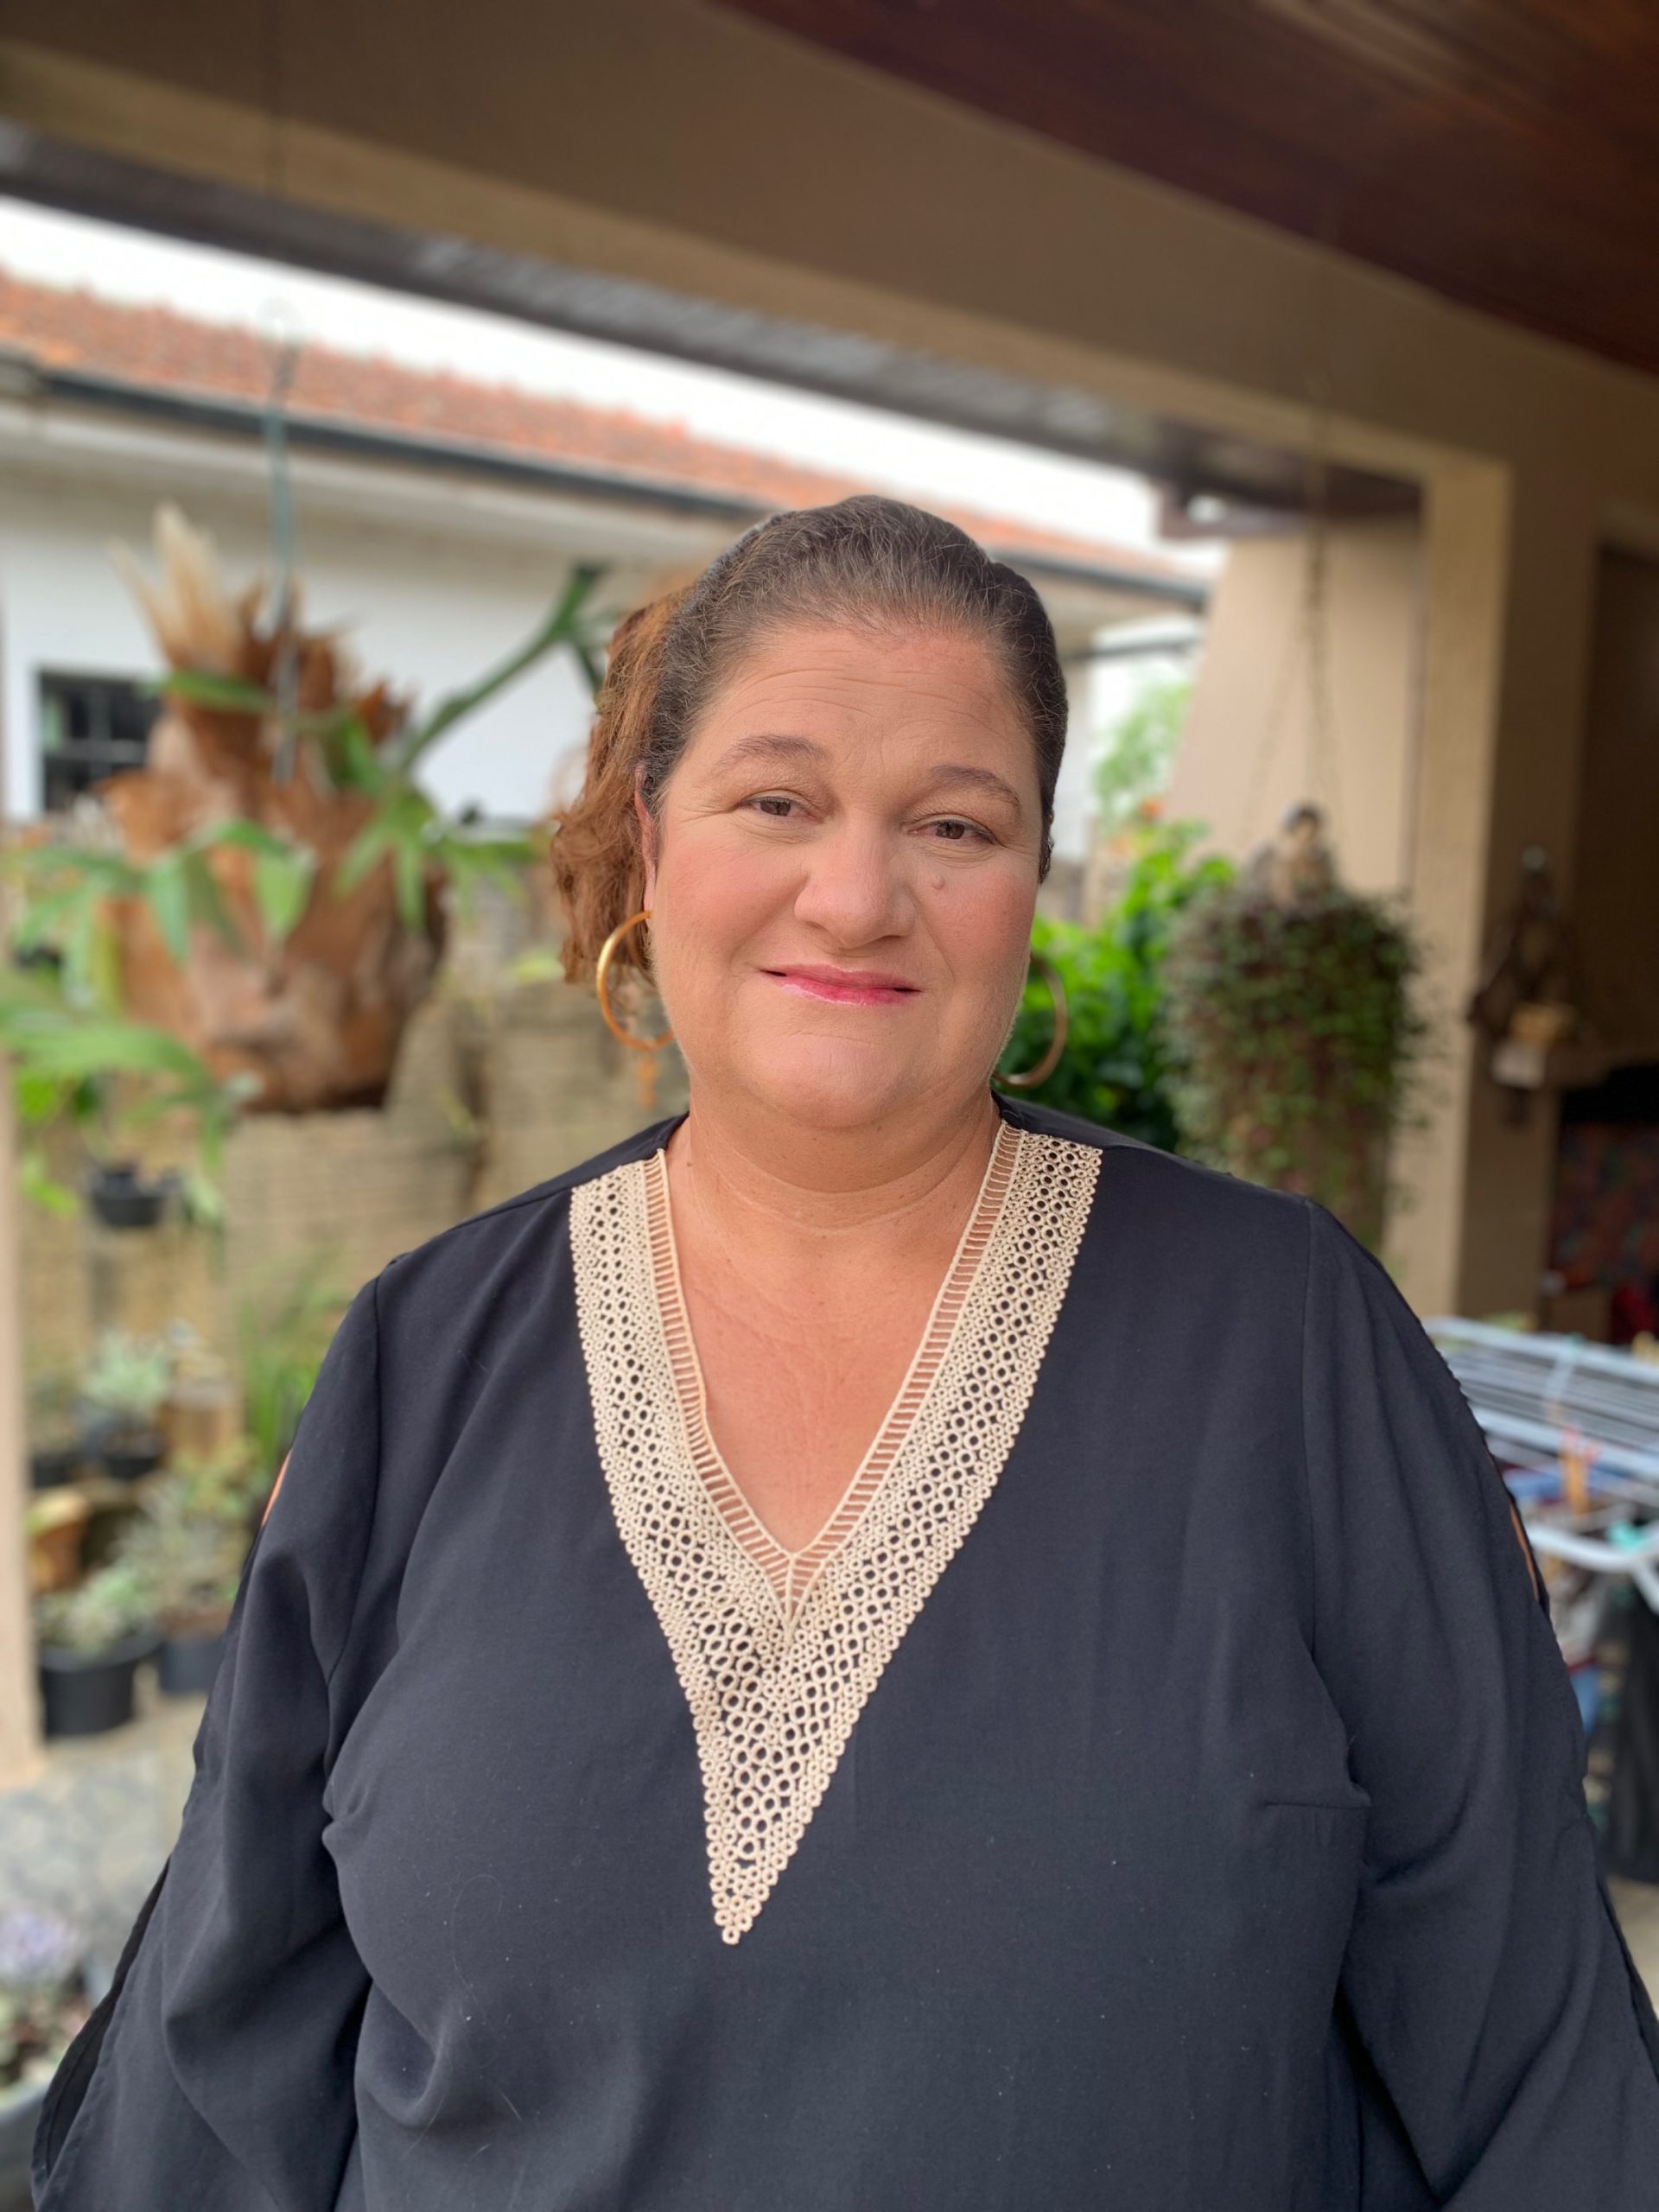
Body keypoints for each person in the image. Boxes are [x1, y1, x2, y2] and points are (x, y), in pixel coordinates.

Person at [35, 496, 1659, 2209]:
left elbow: (1539, 2067)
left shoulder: (1290, 1344)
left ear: (1036, 880)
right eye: (777, 800)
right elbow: (213, 2084)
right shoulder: (421, 1366)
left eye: (955, 823)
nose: (859, 895)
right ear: (651, 835)